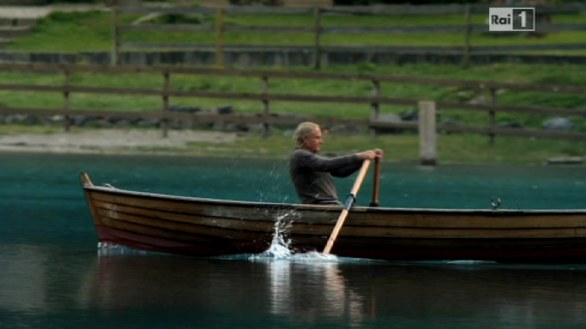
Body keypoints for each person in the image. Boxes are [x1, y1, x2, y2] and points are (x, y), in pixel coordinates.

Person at [289, 121, 383, 205]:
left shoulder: (312, 157)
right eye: (317, 138)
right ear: (305, 139)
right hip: (319, 206)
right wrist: (358, 156)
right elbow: (326, 164)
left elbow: (341, 172)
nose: (321, 141)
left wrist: (362, 161)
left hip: (330, 205)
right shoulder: (300, 155)